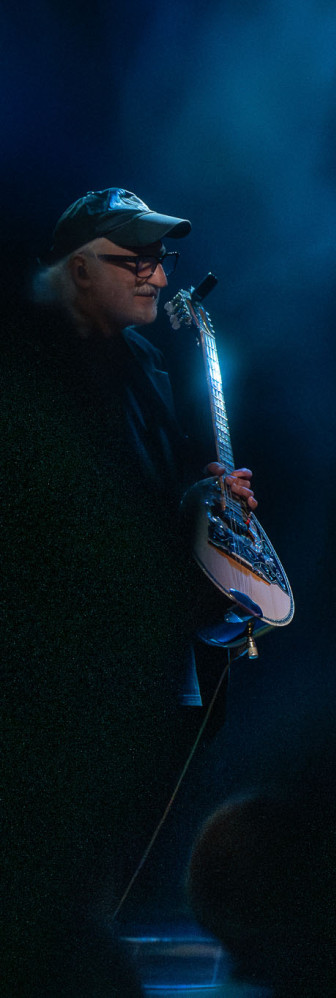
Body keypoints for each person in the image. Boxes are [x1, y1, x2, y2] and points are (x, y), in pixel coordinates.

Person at [0, 188, 262, 986]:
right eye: (135, 259)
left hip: (117, 659)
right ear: (79, 269)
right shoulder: (31, 370)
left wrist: (206, 499)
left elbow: (149, 496)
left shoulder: (143, 365)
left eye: (162, 259)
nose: (155, 275)